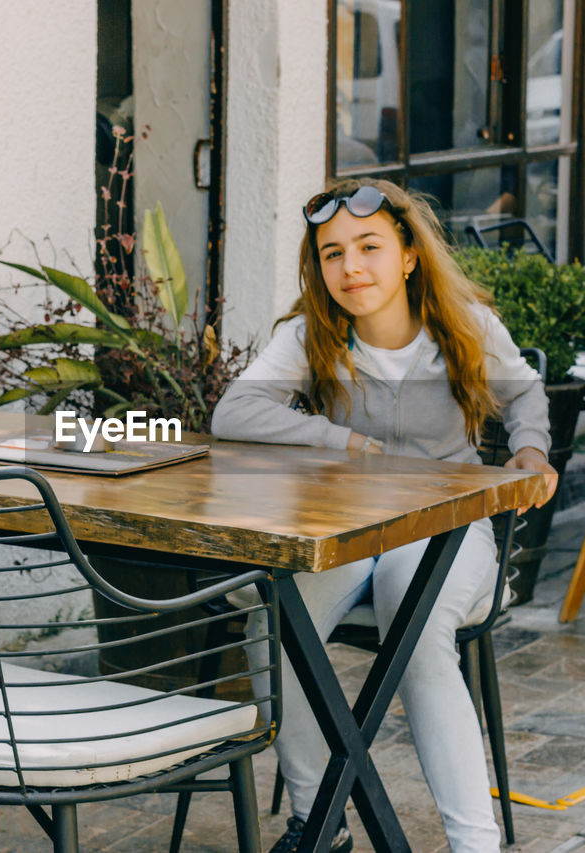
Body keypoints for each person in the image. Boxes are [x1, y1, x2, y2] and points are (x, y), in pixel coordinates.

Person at [211, 178, 558, 853]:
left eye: (369, 246)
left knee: (415, 615)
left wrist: (530, 449)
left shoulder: (465, 325)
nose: (351, 268)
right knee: (277, 615)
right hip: (345, 530)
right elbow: (234, 412)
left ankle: (475, 843)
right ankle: (319, 823)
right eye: (333, 253)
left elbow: (525, 393)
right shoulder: (313, 334)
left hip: (448, 529)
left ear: (407, 255)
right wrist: (340, 440)